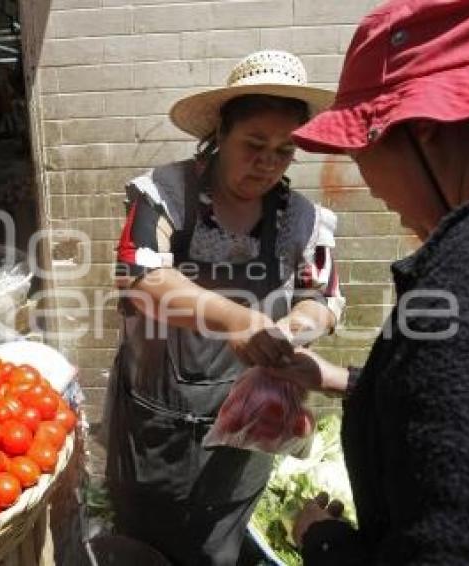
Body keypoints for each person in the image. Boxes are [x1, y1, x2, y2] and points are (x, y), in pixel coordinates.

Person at [265, 1, 469, 564]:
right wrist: (347, 381)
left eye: (358, 150)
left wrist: (324, 544)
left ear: (422, 129)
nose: (364, 180)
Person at [103, 50, 345, 566]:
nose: (267, 162)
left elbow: (323, 295)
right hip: (155, 435)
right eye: (253, 144)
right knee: (144, 546)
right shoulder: (165, 195)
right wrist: (238, 319)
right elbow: (137, 278)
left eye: (283, 151)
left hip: (248, 431)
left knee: (220, 548)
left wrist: (294, 328)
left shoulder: (302, 219)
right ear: (219, 133)